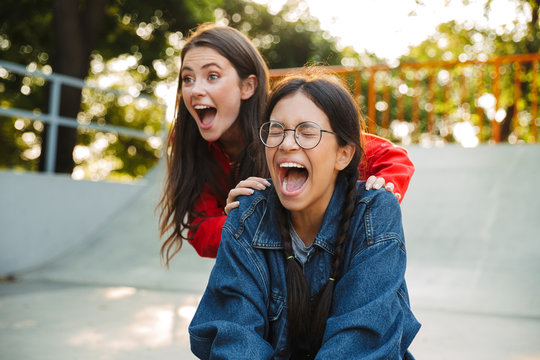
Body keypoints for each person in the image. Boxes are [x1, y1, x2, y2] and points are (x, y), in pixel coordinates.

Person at [189, 74, 420, 359]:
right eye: (276, 130)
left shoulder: (375, 214)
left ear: (344, 154)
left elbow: (360, 341)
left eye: (307, 132)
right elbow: (234, 336)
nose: (286, 144)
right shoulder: (248, 213)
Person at [157, 23, 415, 263]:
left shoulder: (284, 123)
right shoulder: (192, 146)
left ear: (247, 86)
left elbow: (392, 158)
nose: (195, 90)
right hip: (262, 267)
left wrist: (381, 196)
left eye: (212, 76)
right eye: (187, 79)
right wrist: (246, 218)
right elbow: (201, 230)